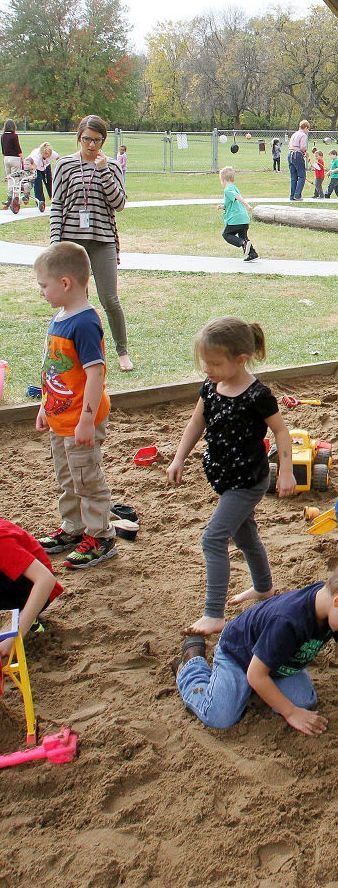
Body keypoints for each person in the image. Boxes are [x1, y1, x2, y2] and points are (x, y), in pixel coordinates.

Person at [167, 317, 297, 636]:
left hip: (248, 481)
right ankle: (264, 587)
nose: (207, 369)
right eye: (204, 363)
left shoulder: (257, 395)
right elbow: (196, 423)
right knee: (244, 535)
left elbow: (281, 431)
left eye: (213, 363)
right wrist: (178, 457)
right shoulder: (211, 387)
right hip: (224, 478)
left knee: (213, 538)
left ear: (240, 360)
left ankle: (213, 614)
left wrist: (286, 472)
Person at [176, 553, 338, 733]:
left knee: (304, 702)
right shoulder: (288, 622)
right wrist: (290, 713)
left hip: (277, 661)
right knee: (220, 716)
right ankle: (192, 663)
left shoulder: (335, 612)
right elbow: (254, 674)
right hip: (239, 655)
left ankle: (255, 688)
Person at [33, 242, 118, 569]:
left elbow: (95, 375)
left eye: (44, 285)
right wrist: (45, 406)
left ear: (65, 283)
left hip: (80, 420)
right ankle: (74, 527)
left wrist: (86, 420)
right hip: (60, 418)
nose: (42, 292)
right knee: (67, 477)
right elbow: (56, 369)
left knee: (86, 478)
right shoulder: (62, 315)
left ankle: (101, 535)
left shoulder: (84, 323)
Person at [49, 115, 132, 372]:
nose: (91, 145)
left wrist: (104, 170)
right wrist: (55, 242)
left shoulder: (113, 167)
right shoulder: (64, 165)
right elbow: (57, 205)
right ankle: (80, 354)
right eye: (87, 139)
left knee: (109, 298)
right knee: (77, 300)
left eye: (97, 140)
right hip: (72, 241)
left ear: (103, 140)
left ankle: (122, 352)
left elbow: (119, 203)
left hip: (102, 240)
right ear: (79, 137)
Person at [0, 518, 64, 659]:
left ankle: (23, 618)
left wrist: (16, 633)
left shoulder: (1, 540)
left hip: (34, 591)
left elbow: (46, 580)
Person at [218, 167, 258, 261]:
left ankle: (242, 243)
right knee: (243, 236)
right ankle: (252, 254)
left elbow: (237, 197)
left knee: (226, 234)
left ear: (223, 180)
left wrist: (247, 204)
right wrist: (222, 206)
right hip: (244, 219)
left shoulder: (227, 190)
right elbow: (232, 203)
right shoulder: (234, 188)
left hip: (236, 219)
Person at [28, 142, 57, 212]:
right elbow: (33, 168)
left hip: (46, 166)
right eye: (45, 155)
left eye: (49, 155)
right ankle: (40, 203)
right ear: (41, 153)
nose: (47, 156)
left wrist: (57, 169)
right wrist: (31, 175)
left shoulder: (52, 153)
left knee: (50, 182)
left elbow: (58, 159)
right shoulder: (36, 157)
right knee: (38, 185)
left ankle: (54, 199)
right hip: (36, 168)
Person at [288, 120, 310, 201]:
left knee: (293, 177)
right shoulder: (303, 135)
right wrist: (305, 153)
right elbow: (303, 147)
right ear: (306, 127)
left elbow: (289, 145)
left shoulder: (294, 134)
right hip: (297, 155)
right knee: (302, 176)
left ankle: (292, 196)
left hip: (290, 154)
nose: (308, 131)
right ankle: (297, 195)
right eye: (308, 129)